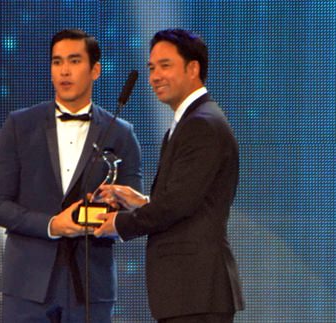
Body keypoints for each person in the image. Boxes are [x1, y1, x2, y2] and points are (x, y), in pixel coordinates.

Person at [0, 29, 142, 323]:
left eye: (74, 61)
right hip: (26, 286)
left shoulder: (121, 133)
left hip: (90, 287)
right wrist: (53, 225)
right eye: (57, 62)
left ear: (95, 70)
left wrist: (110, 218)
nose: (64, 71)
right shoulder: (20, 126)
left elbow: (132, 213)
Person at [94, 29, 245, 323]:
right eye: (151, 68)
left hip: (196, 291)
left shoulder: (201, 125)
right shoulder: (187, 124)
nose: (154, 76)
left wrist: (117, 223)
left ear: (193, 68)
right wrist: (141, 201)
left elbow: (177, 206)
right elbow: (188, 198)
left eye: (165, 66)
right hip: (188, 293)